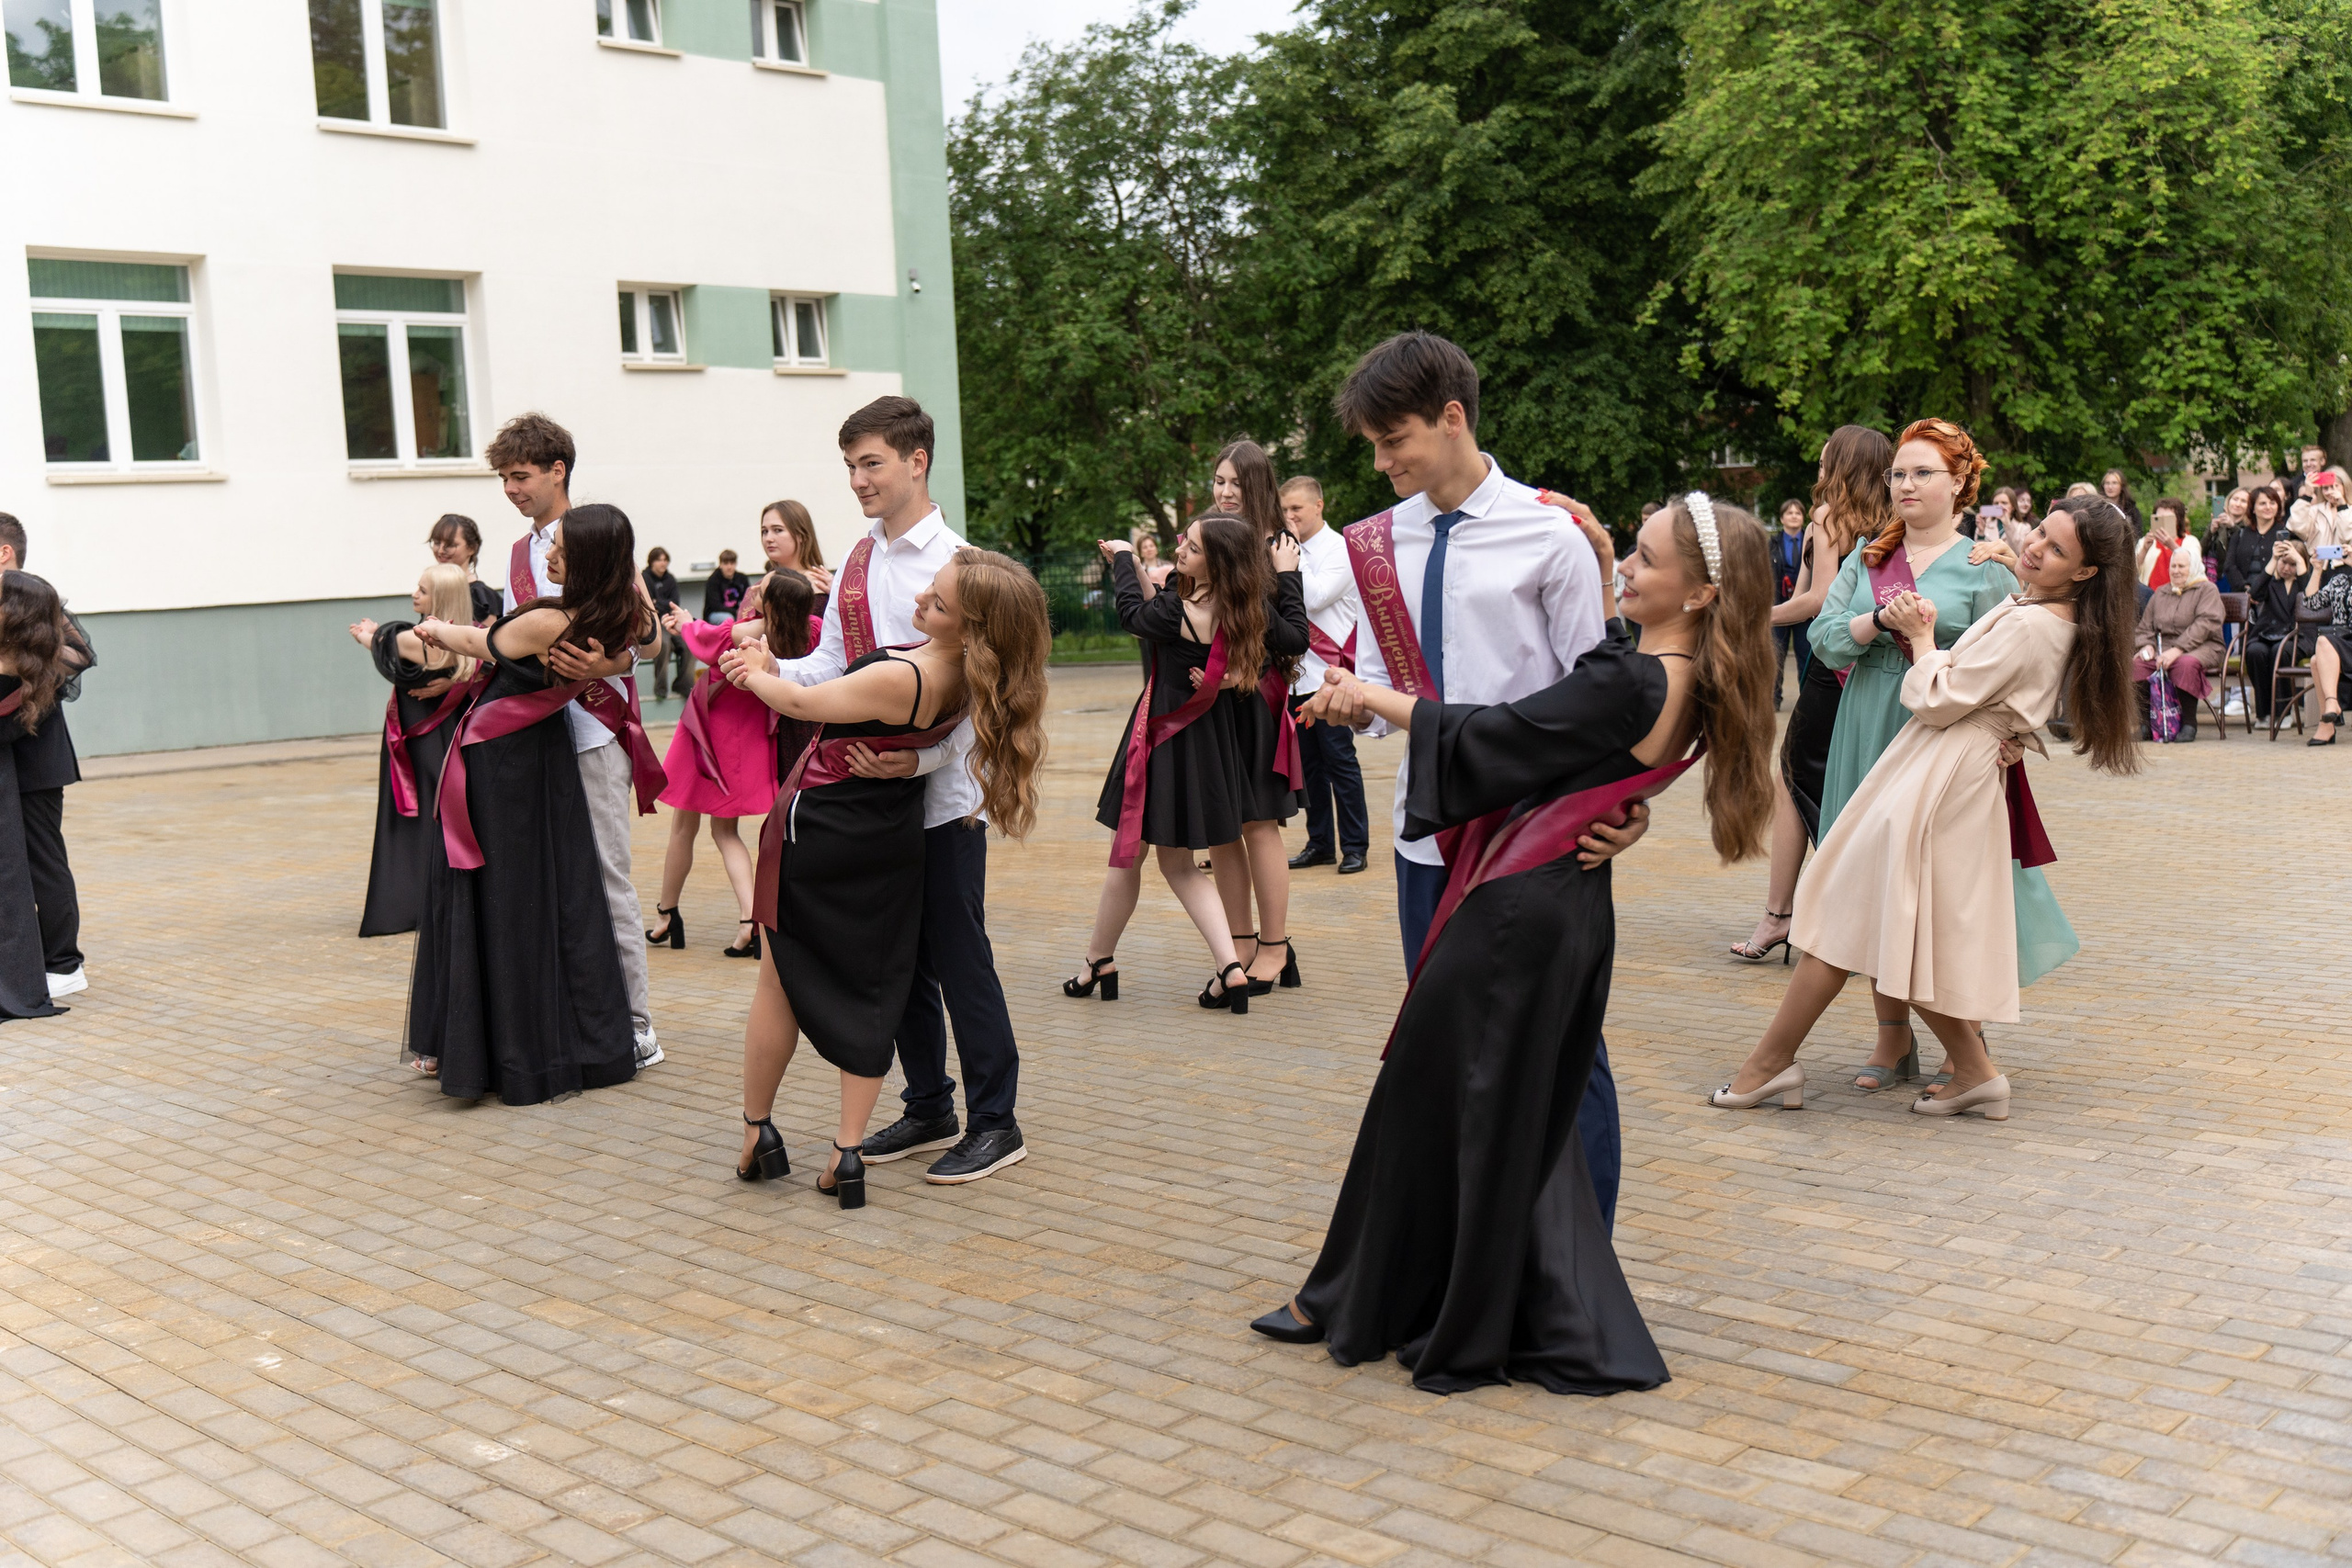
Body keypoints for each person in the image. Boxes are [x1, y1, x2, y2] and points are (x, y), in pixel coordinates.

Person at [1250, 494, 1775, 1393]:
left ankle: (1370, 1299)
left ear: (1696, 594)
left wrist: (1367, 696)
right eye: (1628, 553)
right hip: (1564, 904)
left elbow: (1504, 734)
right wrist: (1609, 546)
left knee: (1429, 1098)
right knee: (1505, 1118)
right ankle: (1431, 1295)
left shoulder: (1636, 681)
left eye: (1644, 561)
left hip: (1517, 912)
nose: (1625, 571)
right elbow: (1596, 705)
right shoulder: (1676, 674)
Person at [1325, 330, 1636, 1225]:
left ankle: (1580, 1266)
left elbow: (1600, 700)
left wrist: (1617, 812)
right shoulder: (1375, 544)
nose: (1381, 462)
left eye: (1395, 441)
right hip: (1424, 836)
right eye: (1375, 446)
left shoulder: (1550, 534)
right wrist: (1355, 707)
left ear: (1452, 418)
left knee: (1562, 1054)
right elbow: (1398, 685)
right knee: (1446, 1051)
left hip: (1532, 836)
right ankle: (1473, 1254)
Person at [1711, 495, 2141, 1122]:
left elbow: (1937, 696)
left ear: (2083, 573)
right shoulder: (2042, 611)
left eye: (2055, 548)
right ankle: (1969, 1069)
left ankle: (1772, 1064)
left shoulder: (2033, 622)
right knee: (1894, 919)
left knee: (1854, 903)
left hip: (1943, 769)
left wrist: (1919, 638)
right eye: (2041, 533)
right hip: (1952, 766)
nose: (2035, 547)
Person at [742, 398, 1034, 1185]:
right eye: (849, 466)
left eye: (870, 463)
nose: (857, 480)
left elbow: (990, 698)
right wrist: (771, 670)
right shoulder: (860, 560)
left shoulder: (964, 564)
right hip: (868, 806)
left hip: (939, 804)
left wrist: (924, 762)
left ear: (916, 461)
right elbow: (832, 669)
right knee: (890, 957)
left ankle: (997, 1119)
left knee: (958, 953)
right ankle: (930, 1101)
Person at [1805, 419, 2027, 1089]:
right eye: (1898, 473)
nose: (1905, 484)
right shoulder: (1867, 559)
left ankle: (1968, 1045)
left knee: (1941, 887)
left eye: (1921, 472)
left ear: (1959, 482)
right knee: (1870, 884)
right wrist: (1878, 621)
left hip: (1945, 734)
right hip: (1868, 720)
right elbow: (1822, 638)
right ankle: (1892, 1039)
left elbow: (2012, 656)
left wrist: (2012, 729)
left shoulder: (1983, 566)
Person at [407, 505, 652, 1100]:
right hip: (543, 757)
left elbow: (483, 642)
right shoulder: (618, 611)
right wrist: (614, 661)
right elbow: (643, 641)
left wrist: (434, 631)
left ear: (586, 558)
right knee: (553, 896)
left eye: (561, 549)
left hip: (507, 764)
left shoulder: (554, 617)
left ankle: (507, 1050)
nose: (549, 556)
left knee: (504, 901)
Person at [486, 412, 667, 1071]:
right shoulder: (515, 556)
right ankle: (580, 1010)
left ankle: (638, 1023)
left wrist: (609, 667)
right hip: (535, 734)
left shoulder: (594, 535)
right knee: (554, 876)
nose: (511, 489)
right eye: (504, 478)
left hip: (593, 731)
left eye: (521, 476)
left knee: (607, 875)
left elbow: (649, 638)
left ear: (558, 470)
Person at [1082, 514, 1306, 1010]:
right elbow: (1294, 639)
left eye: (1194, 547)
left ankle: (1226, 964)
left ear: (1218, 564)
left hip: (1163, 739)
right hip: (1210, 740)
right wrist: (1289, 577)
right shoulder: (1245, 610)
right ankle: (1228, 961)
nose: (1181, 549)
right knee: (1175, 860)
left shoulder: (1173, 611)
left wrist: (1122, 558)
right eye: (1185, 540)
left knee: (1168, 861)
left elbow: (1130, 614)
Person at [1730, 424, 1892, 964]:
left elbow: (1819, 600)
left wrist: (1753, 618)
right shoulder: (1894, 524)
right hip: (1869, 670)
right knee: (1844, 786)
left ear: (1843, 467)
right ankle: (1837, 911)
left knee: (1798, 778)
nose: (1819, 471)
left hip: (1830, 669)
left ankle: (1783, 915)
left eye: (1826, 462)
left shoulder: (1827, 518)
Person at [645, 570, 820, 957]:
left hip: (715, 730)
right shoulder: (808, 627)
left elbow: (707, 643)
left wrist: (687, 623)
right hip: (751, 733)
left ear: (772, 604)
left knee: (704, 828)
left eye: (764, 586)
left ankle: (744, 920)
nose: (754, 588)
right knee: (700, 826)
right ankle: (670, 914)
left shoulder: (751, 631)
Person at [1204, 438, 1307, 993]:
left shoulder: (1276, 546)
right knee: (1222, 827)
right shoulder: (1209, 538)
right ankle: (1239, 943)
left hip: (1257, 703)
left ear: (1257, 487)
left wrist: (1274, 577)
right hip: (1210, 703)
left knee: (1259, 824)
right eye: (1219, 482)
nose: (1224, 493)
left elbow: (1294, 637)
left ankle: (1275, 945)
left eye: (1235, 484)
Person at [350, 563, 481, 936]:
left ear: (439, 597)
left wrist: (366, 633)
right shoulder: (467, 639)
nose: (415, 594)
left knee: (411, 816)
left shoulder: (417, 640)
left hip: (416, 739)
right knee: (444, 816)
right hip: (448, 739)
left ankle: (406, 901)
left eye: (422, 590)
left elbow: (381, 643)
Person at [0, 516, 88, 999]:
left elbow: (80, 655)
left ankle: (65, 963)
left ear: (4, 553)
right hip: (8, 757)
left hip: (36, 755)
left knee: (43, 861)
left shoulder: (34, 599)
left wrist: (27, 676)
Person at [1282, 476, 1370, 875]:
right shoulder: (1283, 551)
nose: (1289, 517)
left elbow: (1314, 596)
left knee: (1340, 762)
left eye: (1296, 509)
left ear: (1319, 506)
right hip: (1297, 677)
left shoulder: (1340, 549)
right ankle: (1320, 843)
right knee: (1309, 767)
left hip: (1330, 677)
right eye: (1284, 510)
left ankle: (1354, 845)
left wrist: (1290, 558)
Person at [2132, 541, 2224, 740]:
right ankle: (2147, 724)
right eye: (2173, 566)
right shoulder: (2161, 593)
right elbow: (2145, 627)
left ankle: (2189, 724)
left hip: (2203, 646)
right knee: (2139, 664)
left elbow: (2205, 625)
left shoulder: (2207, 590)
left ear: (2193, 568)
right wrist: (2146, 645)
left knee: (2184, 664)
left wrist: (2178, 649)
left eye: (2181, 566)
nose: (2176, 571)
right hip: (2163, 647)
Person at [751, 500, 833, 619]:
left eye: (778, 530)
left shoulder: (820, 583)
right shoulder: (765, 582)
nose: (768, 538)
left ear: (801, 535)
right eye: (764, 531)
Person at [2301, 563, 2352, 745]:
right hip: (2341, 641)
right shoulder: (2339, 580)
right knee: (2317, 657)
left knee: (2322, 646)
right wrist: (2317, 569)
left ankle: (2327, 718)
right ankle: (2329, 713)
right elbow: (2310, 602)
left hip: (2340, 643)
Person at [1769, 496, 1810, 708]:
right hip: (1779, 606)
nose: (1794, 516)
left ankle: (1805, 700)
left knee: (1805, 656)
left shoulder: (1811, 542)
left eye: (1798, 513)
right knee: (1776, 655)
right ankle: (1774, 699)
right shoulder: (1772, 544)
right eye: (1790, 513)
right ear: (1782, 518)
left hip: (1805, 608)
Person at [429, 513, 501, 625]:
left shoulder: (480, 595)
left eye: (450, 545)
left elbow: (487, 638)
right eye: (437, 543)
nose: (441, 551)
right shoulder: (434, 588)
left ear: (471, 548)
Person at [2223, 485, 2291, 597]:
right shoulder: (2240, 534)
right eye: (2262, 503)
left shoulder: (2285, 534)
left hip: (2275, 597)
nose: (2268, 507)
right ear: (2253, 508)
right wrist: (2245, 589)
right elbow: (2229, 565)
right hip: (2244, 596)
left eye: (2272, 503)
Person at [643, 547, 690, 698]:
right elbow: (648, 603)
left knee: (689, 644)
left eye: (665, 560)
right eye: (659, 560)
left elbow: (675, 602)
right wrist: (661, 603)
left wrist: (658, 602)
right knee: (663, 645)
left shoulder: (670, 579)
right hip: (654, 622)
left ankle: (683, 685)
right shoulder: (645, 577)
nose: (663, 563)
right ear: (651, 562)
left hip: (671, 620)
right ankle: (661, 689)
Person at [2135, 497, 2202, 600]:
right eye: (2159, 518)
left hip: (2181, 596)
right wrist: (2144, 549)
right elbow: (2133, 570)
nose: (2163, 522)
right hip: (2151, 597)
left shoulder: (2190, 541)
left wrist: (2172, 545)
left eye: (2168, 518)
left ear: (2178, 520)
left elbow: (2195, 567)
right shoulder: (2145, 541)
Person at [703, 549, 751, 623]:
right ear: (720, 565)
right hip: (715, 613)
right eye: (726, 563)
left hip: (737, 611)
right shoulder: (713, 580)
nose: (729, 567)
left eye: (732, 563)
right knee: (728, 619)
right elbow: (715, 605)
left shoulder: (742, 578)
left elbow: (748, 598)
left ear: (736, 564)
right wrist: (736, 612)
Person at [2102, 468, 2143, 534]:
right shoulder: (2098, 507)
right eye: (2107, 483)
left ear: (2122, 486)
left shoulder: (2131, 510)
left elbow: (2137, 532)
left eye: (2114, 483)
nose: (2110, 487)